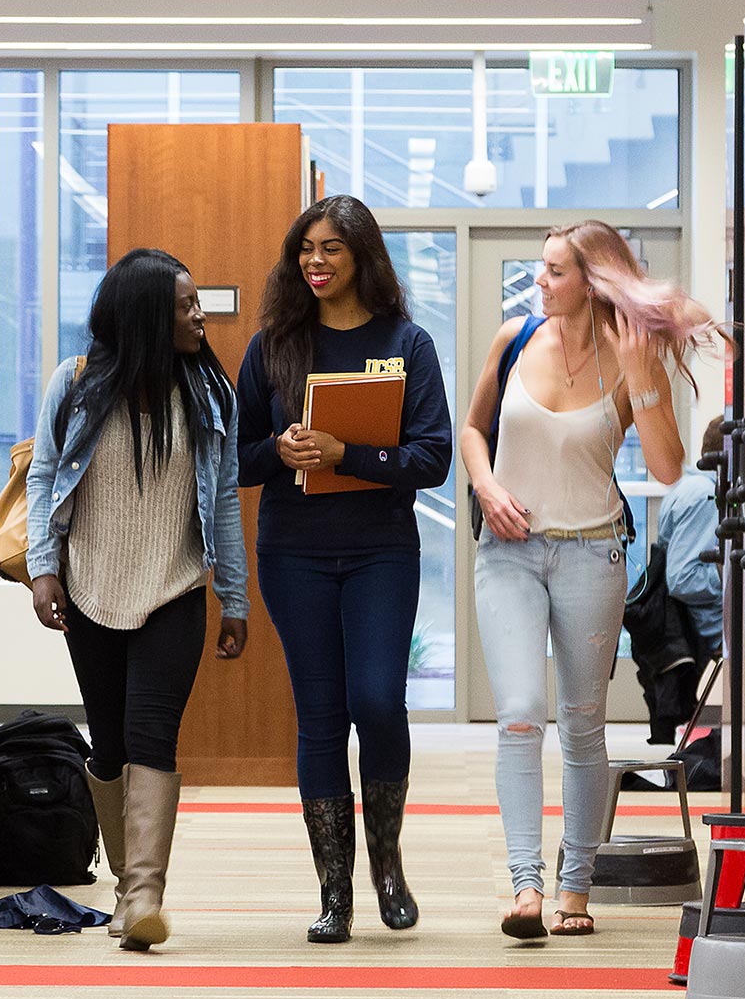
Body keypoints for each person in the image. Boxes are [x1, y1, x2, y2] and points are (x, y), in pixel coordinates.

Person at [462, 220, 726, 940]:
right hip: (509, 554)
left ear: (592, 282)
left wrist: (643, 384)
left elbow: (672, 471)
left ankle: (574, 887)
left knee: (582, 724)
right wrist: (486, 487)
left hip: (593, 555)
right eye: (541, 269)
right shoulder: (515, 338)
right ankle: (525, 888)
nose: (539, 282)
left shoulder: (626, 358)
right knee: (519, 713)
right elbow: (471, 428)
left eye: (553, 271)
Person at [236, 195, 453, 944]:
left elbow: (433, 457)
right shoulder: (272, 347)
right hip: (292, 553)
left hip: (381, 551)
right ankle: (337, 894)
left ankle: (385, 860)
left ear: (364, 257)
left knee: (378, 702)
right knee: (321, 718)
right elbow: (240, 458)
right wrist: (283, 452)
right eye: (306, 249)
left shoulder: (407, 342)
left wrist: (346, 455)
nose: (316, 262)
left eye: (332, 248)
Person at [25, 247, 248, 953]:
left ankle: (147, 894)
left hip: (175, 588)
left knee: (154, 734)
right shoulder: (77, 384)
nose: (198, 314)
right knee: (110, 742)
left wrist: (234, 598)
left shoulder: (210, 396)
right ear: (149, 315)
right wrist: (41, 569)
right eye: (185, 305)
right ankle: (126, 888)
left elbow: (224, 504)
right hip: (89, 587)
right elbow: (41, 480)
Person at [656, 416, 726, 658]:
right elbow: (683, 581)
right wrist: (730, 571)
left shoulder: (691, 486)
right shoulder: (705, 496)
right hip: (713, 629)